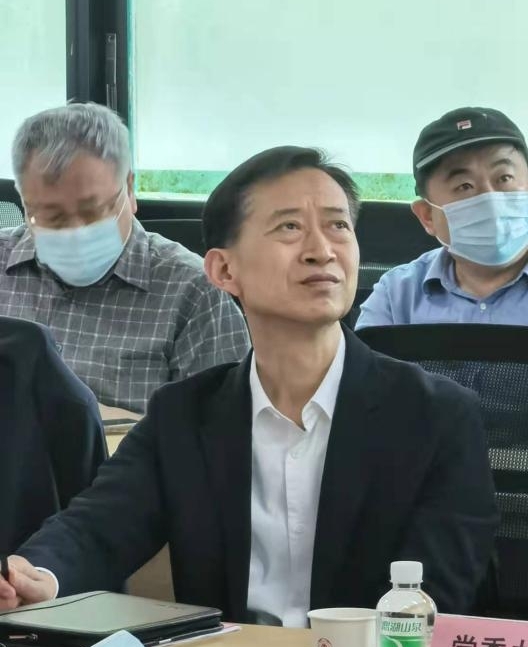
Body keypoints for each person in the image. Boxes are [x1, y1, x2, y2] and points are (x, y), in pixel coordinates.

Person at [0, 146, 497, 624]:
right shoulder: (184, 414)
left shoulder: (436, 416)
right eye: (289, 228)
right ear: (223, 269)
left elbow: (433, 600)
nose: (321, 251)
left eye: (338, 226)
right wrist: (32, 574)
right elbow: (98, 526)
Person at [0, 103, 250, 416]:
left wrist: (96, 423)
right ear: (24, 205)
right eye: (53, 217)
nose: (76, 232)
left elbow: (224, 430)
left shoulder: (195, 292)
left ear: (129, 190)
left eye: (93, 212)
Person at [356, 106, 528, 329]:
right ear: (427, 216)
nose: (490, 199)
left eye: (504, 178)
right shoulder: (396, 298)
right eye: (464, 186)